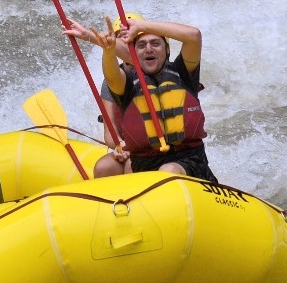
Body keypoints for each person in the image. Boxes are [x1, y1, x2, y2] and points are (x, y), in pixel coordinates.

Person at [91, 15, 218, 182]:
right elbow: (112, 75)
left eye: (156, 43)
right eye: (141, 45)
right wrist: (107, 50)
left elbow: (193, 36)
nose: (148, 49)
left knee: (167, 170)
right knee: (109, 167)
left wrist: (143, 26)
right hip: (143, 160)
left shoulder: (183, 72)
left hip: (187, 160)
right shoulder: (124, 83)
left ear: (167, 50)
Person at [63, 14, 142, 177]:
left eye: (130, 38)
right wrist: (120, 145)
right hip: (129, 146)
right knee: (103, 168)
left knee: (131, 165)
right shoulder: (111, 81)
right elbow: (109, 130)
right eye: (120, 38)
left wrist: (90, 37)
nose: (125, 43)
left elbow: (132, 55)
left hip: (156, 146)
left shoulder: (150, 68)